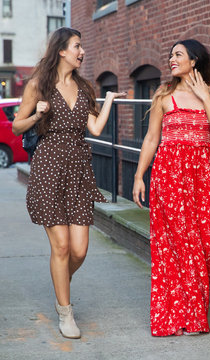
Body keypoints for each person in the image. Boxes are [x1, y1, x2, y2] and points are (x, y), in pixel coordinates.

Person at [12, 27, 126, 339]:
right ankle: (66, 311)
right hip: (48, 169)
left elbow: (96, 128)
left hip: (78, 171)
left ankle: (60, 280)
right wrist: (37, 114)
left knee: (79, 250)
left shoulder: (85, 87)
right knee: (60, 246)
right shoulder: (39, 85)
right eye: (77, 46)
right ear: (61, 50)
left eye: (81, 46)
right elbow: (16, 124)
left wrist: (111, 100)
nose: (82, 51)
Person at [132, 39, 210, 336]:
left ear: (195, 60)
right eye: (171, 55)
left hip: (204, 178)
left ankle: (191, 309)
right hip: (169, 176)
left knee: (205, 245)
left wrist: (204, 96)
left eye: (178, 55)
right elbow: (151, 139)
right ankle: (179, 317)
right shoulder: (164, 94)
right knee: (173, 246)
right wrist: (139, 175)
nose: (172, 60)